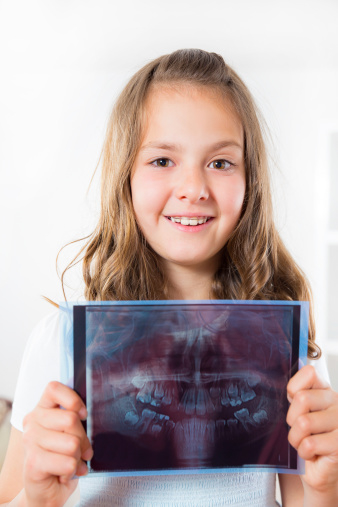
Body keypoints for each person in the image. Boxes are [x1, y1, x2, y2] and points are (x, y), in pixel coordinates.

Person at [0, 48, 337, 507]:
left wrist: (326, 487)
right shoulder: (55, 344)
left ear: (250, 181)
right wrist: (38, 497)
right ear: (127, 178)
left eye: (220, 163)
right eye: (162, 161)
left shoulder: (291, 355)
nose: (194, 188)